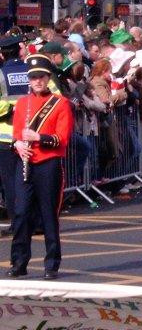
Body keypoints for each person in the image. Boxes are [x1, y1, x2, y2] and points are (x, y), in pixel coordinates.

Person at [7, 54, 73, 280]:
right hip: (26, 161)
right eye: (33, 77)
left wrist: (38, 137)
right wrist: (18, 144)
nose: (37, 81)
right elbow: (16, 132)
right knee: (21, 212)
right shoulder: (23, 104)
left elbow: (62, 138)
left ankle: (52, 263)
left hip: (48, 163)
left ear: (48, 78)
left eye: (41, 77)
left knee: (48, 214)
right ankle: (19, 262)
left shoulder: (60, 103)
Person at [0, 35, 29, 238]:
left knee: (10, 183)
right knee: (29, 181)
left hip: (5, 136)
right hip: (32, 135)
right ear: (20, 49)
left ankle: (17, 222)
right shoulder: (34, 72)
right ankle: (34, 221)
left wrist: (10, 110)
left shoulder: (1, 74)